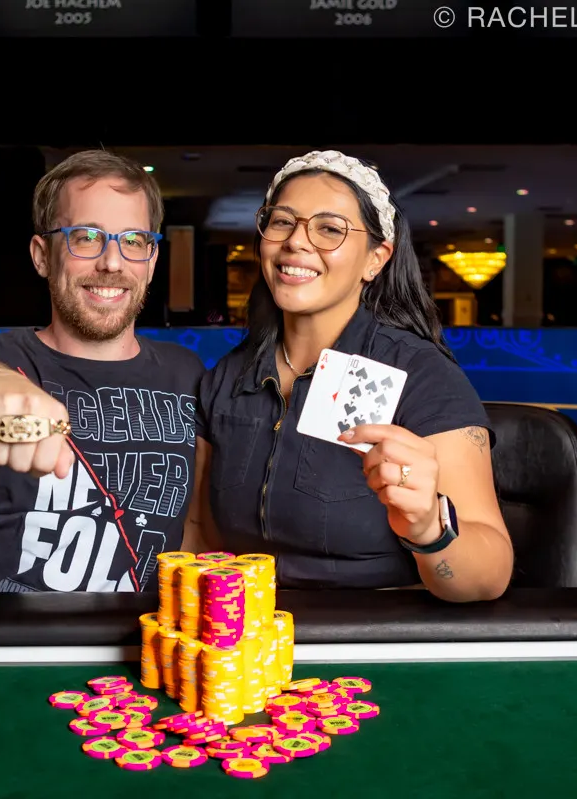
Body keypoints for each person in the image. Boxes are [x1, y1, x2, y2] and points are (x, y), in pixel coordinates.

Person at [194, 150, 513, 601]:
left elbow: (489, 577)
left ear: (375, 259)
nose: (296, 242)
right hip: (253, 628)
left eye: (329, 229)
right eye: (282, 222)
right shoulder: (227, 378)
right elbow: (203, 538)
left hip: (377, 626)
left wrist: (428, 527)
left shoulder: (423, 376)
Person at [0, 149, 207, 593]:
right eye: (86, 237)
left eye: (133, 241)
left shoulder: (188, 373)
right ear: (42, 256)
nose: (112, 263)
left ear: (151, 261)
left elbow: (195, 529)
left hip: (135, 629)